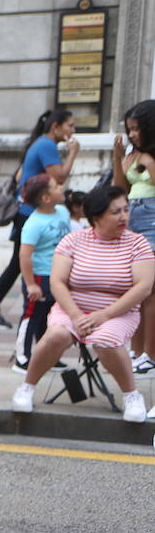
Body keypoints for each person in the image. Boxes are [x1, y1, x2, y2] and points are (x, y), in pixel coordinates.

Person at [12, 186, 154, 422]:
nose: (124, 217)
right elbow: (57, 282)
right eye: (115, 212)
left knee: (105, 340)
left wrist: (104, 315)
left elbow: (143, 287)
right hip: (72, 308)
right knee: (56, 335)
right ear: (96, 217)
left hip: (119, 312)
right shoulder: (73, 240)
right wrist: (76, 315)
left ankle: (132, 395)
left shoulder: (137, 244)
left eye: (126, 210)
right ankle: (27, 387)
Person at [0, 108, 78, 331]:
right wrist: (73, 153)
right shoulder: (46, 145)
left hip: (27, 212)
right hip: (29, 214)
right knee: (18, 262)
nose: (73, 130)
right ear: (56, 126)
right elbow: (59, 176)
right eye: (70, 125)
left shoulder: (40, 143)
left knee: (17, 262)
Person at [112, 100, 155, 377]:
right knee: (136, 290)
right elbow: (118, 189)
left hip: (151, 221)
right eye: (129, 129)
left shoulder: (150, 158)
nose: (132, 134)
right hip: (131, 223)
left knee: (150, 292)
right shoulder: (131, 155)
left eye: (137, 129)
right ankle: (136, 349)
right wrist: (118, 157)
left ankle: (150, 353)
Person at [13, 175, 71, 371]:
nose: (61, 187)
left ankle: (47, 356)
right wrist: (31, 284)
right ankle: (22, 358)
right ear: (46, 198)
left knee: (49, 315)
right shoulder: (34, 224)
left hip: (59, 275)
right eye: (56, 186)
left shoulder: (63, 211)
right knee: (32, 315)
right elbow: (24, 256)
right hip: (39, 276)